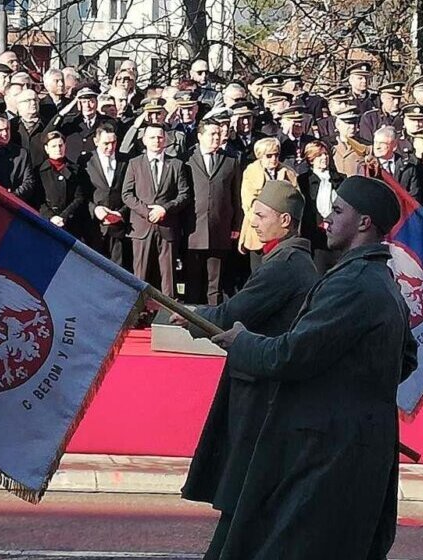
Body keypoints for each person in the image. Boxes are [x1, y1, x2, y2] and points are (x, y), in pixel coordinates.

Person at [210, 175, 417, 560]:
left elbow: (292, 355)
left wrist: (242, 342)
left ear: (364, 222)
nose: (327, 219)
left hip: (330, 451)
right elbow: (406, 359)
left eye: (338, 211)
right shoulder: (381, 280)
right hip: (359, 446)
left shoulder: (353, 283)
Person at [171, 179, 318, 560]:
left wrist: (190, 316)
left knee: (243, 488)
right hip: (260, 385)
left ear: (285, 221)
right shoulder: (290, 262)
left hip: (258, 392)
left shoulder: (285, 267)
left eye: (261, 215)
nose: (252, 221)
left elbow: (232, 315)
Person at [122, 123, 192, 299]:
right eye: (152, 137)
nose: (156, 141)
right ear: (144, 140)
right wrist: (147, 212)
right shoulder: (134, 164)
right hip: (141, 228)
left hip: (167, 226)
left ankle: (169, 310)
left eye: (160, 137)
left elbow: (184, 194)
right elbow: (127, 194)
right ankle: (139, 309)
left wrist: (164, 209)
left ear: (166, 140)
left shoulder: (176, 164)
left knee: (168, 276)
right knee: (140, 275)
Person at [184, 117, 241, 305]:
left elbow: (236, 197)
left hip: (220, 229)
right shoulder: (186, 159)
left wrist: (236, 225)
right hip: (193, 230)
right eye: (212, 134)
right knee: (193, 282)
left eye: (219, 133)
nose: (216, 137)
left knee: (215, 284)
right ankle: (190, 318)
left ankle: (213, 318)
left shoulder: (230, 161)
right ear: (200, 136)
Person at [238, 137, 297, 270]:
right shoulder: (251, 172)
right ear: (260, 156)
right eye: (269, 156)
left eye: (276, 155)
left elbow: (296, 200)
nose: (273, 159)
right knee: (258, 272)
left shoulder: (288, 172)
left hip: (282, 232)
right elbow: (249, 203)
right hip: (258, 233)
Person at [81, 121, 130, 268]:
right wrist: (95, 209)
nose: (110, 147)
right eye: (106, 143)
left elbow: (130, 191)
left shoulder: (125, 161)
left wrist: (120, 213)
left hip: (119, 227)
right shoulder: (86, 161)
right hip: (95, 227)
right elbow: (82, 193)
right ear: (96, 141)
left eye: (113, 143)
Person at [297, 140, 344, 272]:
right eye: (319, 155)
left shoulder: (340, 179)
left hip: (337, 236)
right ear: (311, 160)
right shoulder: (303, 181)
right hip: (315, 238)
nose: (324, 158)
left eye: (325, 154)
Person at [38, 131, 90, 240]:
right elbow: (38, 199)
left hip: (71, 224)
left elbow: (79, 197)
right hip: (47, 223)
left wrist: (63, 216)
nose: (58, 149)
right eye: (54, 146)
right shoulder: (40, 171)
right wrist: (51, 217)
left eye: (60, 145)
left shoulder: (75, 170)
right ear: (47, 149)